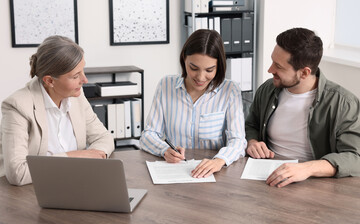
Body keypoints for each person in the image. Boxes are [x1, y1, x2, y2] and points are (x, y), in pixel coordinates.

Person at [245, 27, 360, 187]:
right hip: (265, 178)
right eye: (272, 61)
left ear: (304, 73)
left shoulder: (343, 103)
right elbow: (251, 124)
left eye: (279, 66)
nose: (270, 70)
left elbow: (355, 157)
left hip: (313, 185)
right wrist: (252, 141)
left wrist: (307, 168)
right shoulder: (267, 89)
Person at [0, 36, 114, 186]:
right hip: (30, 193)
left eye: (82, 71)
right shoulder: (18, 106)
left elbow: (104, 138)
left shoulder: (76, 96)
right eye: (75, 76)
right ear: (50, 81)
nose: (85, 80)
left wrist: (93, 157)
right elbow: (18, 173)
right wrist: (74, 157)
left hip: (73, 183)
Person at [140, 29, 247, 178]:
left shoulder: (230, 90)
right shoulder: (166, 85)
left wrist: (219, 160)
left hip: (214, 175)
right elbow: (148, 135)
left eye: (209, 70)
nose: (200, 77)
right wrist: (164, 149)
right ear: (184, 59)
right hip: (175, 171)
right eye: (193, 68)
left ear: (219, 66)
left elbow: (238, 140)